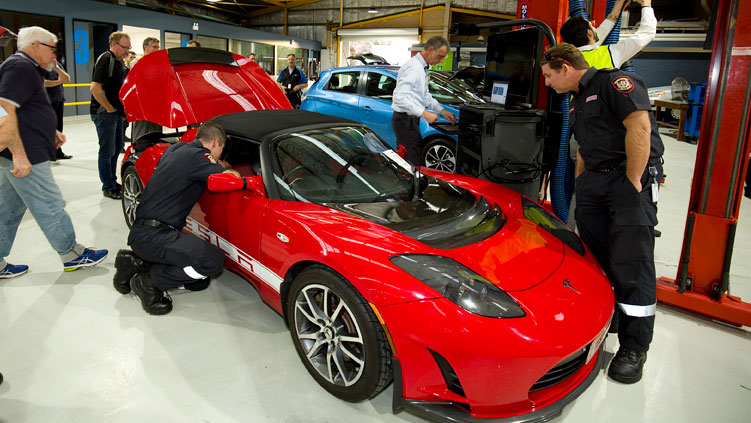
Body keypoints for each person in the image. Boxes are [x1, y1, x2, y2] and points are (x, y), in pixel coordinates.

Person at [541, 43, 664, 384]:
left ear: (565, 67)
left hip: (626, 182)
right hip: (595, 183)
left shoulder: (616, 84)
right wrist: (584, 182)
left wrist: (634, 182)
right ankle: (610, 319)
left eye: (549, 76)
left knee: (633, 263)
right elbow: (583, 147)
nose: (548, 84)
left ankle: (634, 348)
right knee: (597, 260)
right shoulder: (579, 100)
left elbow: (639, 128)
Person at [0, 26, 108, 279]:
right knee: (49, 204)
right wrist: (18, 153)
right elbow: (5, 111)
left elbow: (25, 108)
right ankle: (71, 254)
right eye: (52, 47)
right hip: (24, 153)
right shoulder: (20, 68)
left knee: (8, 209)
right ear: (35, 45)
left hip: (17, 150)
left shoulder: (27, 68)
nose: (54, 53)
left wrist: (49, 130)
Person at [113, 121, 240, 315]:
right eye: (221, 150)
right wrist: (225, 166)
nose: (219, 155)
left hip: (144, 231)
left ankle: (134, 262)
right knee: (212, 261)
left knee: (199, 281)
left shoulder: (178, 148)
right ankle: (149, 281)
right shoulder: (200, 158)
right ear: (216, 143)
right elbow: (234, 178)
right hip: (157, 236)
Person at [391, 36, 456, 166]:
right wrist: (424, 113)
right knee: (411, 162)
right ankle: (411, 185)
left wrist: (442, 110)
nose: (442, 60)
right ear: (430, 50)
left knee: (414, 157)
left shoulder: (422, 68)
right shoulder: (413, 68)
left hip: (410, 120)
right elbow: (399, 98)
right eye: (440, 56)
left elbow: (425, 95)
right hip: (404, 120)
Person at [90, 31, 130, 200]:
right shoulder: (106, 59)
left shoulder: (119, 62)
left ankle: (113, 182)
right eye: (124, 47)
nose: (127, 51)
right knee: (107, 151)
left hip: (116, 115)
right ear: (113, 44)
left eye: (129, 48)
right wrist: (109, 109)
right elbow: (95, 88)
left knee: (115, 150)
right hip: (106, 114)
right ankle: (108, 186)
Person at [560, 0, 656, 70]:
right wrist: (646, 5)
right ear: (589, 33)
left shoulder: (568, 60)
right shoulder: (611, 53)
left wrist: (616, 10)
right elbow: (647, 33)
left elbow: (596, 39)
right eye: (592, 26)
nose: (595, 27)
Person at [129, 37, 162, 142]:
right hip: (142, 103)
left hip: (156, 103)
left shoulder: (159, 62)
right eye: (154, 47)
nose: (157, 49)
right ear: (146, 47)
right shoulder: (137, 62)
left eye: (158, 47)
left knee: (156, 130)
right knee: (141, 130)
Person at [44, 60, 72, 160]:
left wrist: (56, 68)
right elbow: (44, 83)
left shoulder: (58, 65)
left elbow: (67, 78)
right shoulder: (41, 65)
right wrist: (58, 81)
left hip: (59, 100)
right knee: (49, 128)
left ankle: (57, 151)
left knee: (59, 127)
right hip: (47, 102)